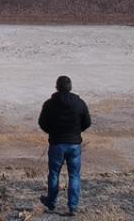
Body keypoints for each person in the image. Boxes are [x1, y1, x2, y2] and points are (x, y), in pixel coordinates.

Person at [37, 75, 91, 215]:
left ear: (57, 87)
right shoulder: (79, 103)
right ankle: (73, 207)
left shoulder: (49, 104)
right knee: (74, 175)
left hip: (56, 144)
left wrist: (52, 132)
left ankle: (51, 202)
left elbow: (42, 123)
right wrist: (77, 132)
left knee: (54, 174)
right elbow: (87, 122)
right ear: (70, 87)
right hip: (74, 145)